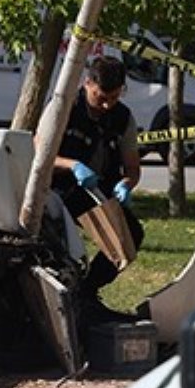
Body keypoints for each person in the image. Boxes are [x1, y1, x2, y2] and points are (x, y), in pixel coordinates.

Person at [50, 56, 145, 322]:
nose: (106, 104)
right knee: (62, 247)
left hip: (98, 191)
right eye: (100, 97)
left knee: (130, 236)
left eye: (113, 98)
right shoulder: (65, 107)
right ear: (87, 83)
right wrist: (73, 166)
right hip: (60, 190)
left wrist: (126, 184)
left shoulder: (123, 118)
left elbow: (133, 168)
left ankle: (87, 292)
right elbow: (40, 152)